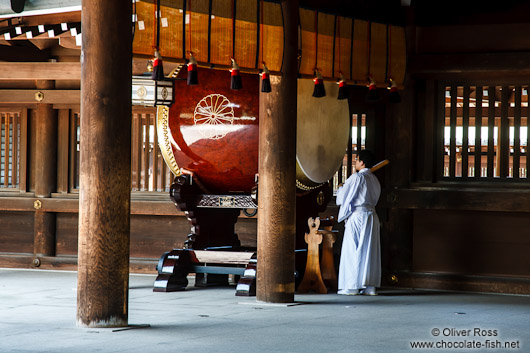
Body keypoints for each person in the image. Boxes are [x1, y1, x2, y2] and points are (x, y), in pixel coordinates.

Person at [336, 149, 381, 296]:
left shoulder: (356, 177)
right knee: (369, 251)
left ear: (362, 162)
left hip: (358, 216)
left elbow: (343, 198)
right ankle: (369, 286)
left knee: (353, 249)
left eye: (356, 159)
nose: (355, 162)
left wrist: (341, 188)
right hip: (372, 216)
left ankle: (351, 286)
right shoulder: (374, 179)